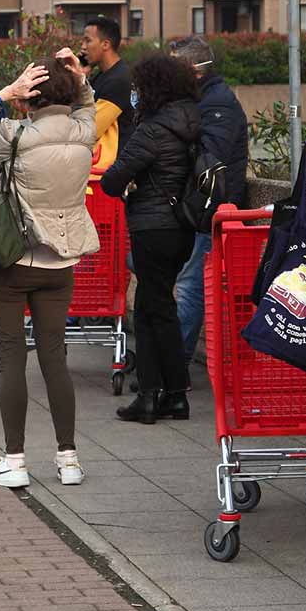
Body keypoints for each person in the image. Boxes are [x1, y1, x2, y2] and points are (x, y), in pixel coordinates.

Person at [0, 49, 99, 489]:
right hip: (62, 263)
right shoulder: (84, 132)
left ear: (29, 98)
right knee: (55, 357)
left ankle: (14, 461)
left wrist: (4, 92)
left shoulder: (14, 135)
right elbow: (88, 105)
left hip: (14, 261)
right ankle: (68, 460)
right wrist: (79, 78)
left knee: (12, 357)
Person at [99, 54, 200, 424]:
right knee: (159, 307)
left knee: (149, 311)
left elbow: (112, 180)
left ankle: (150, 394)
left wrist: (129, 184)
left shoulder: (153, 129)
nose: (135, 95)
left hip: (152, 227)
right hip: (181, 228)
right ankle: (173, 393)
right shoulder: (192, 120)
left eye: (138, 88)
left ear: (152, 88)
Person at [170, 36, 249, 368]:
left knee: (190, 289)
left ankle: (175, 366)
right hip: (196, 214)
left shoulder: (217, 106)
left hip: (210, 214)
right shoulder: (202, 100)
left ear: (193, 70)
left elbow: (209, 162)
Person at [81, 17, 133, 166]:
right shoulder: (101, 75)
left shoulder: (118, 80)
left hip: (114, 167)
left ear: (105, 44)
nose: (83, 47)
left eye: (88, 41)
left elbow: (90, 130)